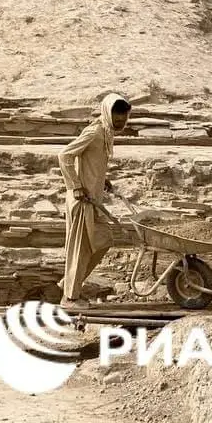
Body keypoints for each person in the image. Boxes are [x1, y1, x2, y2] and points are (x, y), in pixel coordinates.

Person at [58, 93, 130, 308]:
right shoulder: (95, 132)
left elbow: (91, 161)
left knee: (104, 240)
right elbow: (64, 156)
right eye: (117, 119)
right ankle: (70, 298)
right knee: (81, 249)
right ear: (107, 114)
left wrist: (101, 179)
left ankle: (69, 283)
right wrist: (75, 186)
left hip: (94, 200)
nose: (120, 123)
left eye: (123, 119)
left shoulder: (107, 132)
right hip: (82, 201)